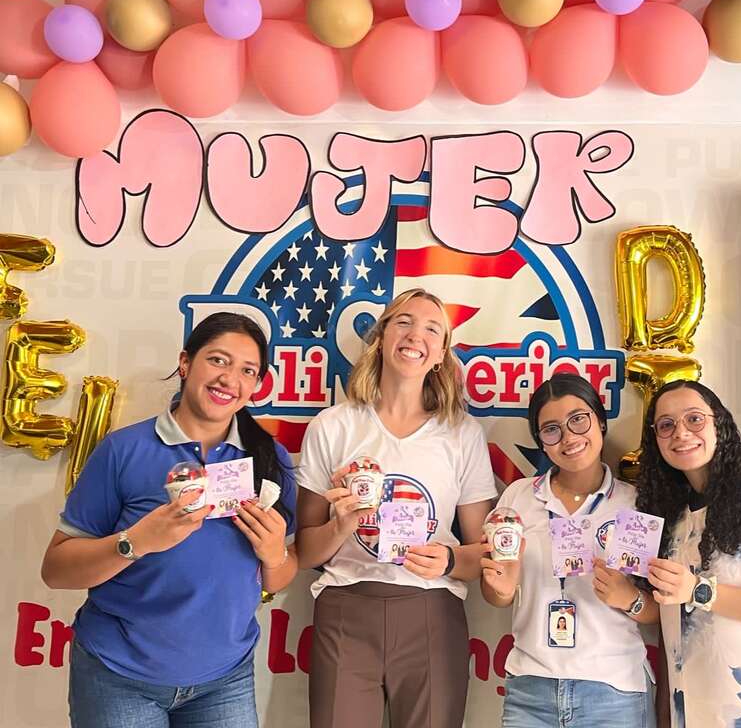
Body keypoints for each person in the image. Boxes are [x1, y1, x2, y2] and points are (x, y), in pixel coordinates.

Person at [41, 312, 298, 728]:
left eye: (247, 370)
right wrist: (135, 541)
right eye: (218, 360)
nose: (229, 378)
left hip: (225, 678)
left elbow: (279, 577)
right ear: (185, 363)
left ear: (256, 385)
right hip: (119, 675)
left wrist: (273, 556)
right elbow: (55, 569)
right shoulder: (122, 450)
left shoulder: (269, 458)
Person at [294, 288, 497, 728]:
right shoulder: (333, 427)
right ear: (382, 337)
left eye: (431, 328)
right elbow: (305, 552)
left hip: (432, 612)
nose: (415, 335)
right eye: (403, 322)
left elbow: (484, 556)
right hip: (346, 607)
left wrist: (447, 558)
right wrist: (342, 525)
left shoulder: (462, 434)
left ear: (441, 353)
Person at [481, 372, 657, 728]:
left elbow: (659, 610)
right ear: (541, 441)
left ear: (600, 421)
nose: (569, 437)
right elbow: (495, 594)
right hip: (531, 688)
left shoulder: (634, 503)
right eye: (552, 429)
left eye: (579, 420)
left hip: (614, 691)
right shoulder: (518, 497)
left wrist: (629, 598)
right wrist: (500, 588)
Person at [636, 380, 741, 728]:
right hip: (692, 705)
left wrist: (698, 590)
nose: (681, 433)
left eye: (694, 419)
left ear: (719, 424)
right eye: (666, 425)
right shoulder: (672, 517)